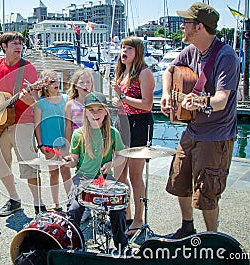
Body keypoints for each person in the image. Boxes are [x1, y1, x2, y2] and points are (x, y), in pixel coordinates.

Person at [160, 2, 239, 238]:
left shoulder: (226, 57)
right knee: (180, 180)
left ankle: (212, 239)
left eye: (186, 23)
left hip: (216, 136)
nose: (182, 26)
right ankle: (187, 227)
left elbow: (222, 99)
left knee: (207, 191)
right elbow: (169, 70)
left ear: (200, 27)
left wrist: (201, 102)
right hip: (192, 131)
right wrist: (166, 94)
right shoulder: (192, 51)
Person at [0, 31, 46, 216]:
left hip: (23, 122)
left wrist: (28, 97)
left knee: (29, 165)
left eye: (20, 43)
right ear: (4, 47)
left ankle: (39, 205)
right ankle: (14, 199)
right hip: (0, 123)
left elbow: (36, 102)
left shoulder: (28, 68)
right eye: (14, 43)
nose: (18, 46)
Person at [64, 92, 128, 250]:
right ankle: (74, 245)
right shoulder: (78, 134)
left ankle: (121, 246)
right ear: (85, 112)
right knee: (74, 209)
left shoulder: (113, 133)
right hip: (82, 178)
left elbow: (122, 157)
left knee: (118, 208)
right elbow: (74, 161)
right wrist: (69, 162)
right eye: (91, 110)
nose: (95, 113)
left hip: (103, 178)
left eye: (99, 109)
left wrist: (111, 164)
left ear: (106, 111)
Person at [111, 36, 155, 237]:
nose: (123, 51)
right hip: (122, 122)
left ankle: (139, 219)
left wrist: (122, 96)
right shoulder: (122, 73)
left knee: (136, 174)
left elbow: (147, 105)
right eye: (122, 47)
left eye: (128, 48)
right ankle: (126, 215)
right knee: (119, 174)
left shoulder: (144, 73)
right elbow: (123, 103)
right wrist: (117, 101)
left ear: (137, 51)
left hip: (139, 125)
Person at [34, 70, 71, 211]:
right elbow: (37, 125)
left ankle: (71, 201)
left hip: (63, 143)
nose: (56, 83)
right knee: (53, 173)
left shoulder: (66, 99)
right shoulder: (40, 103)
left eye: (56, 80)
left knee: (66, 173)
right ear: (44, 86)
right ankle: (56, 203)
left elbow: (69, 123)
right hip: (48, 144)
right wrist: (40, 144)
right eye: (51, 82)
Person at [64, 69, 95, 223]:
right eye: (81, 82)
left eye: (88, 82)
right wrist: (68, 148)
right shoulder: (70, 105)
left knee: (95, 175)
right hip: (78, 144)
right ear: (75, 86)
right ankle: (83, 206)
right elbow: (68, 128)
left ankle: (93, 205)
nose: (85, 85)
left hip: (95, 143)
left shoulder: (95, 101)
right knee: (81, 175)